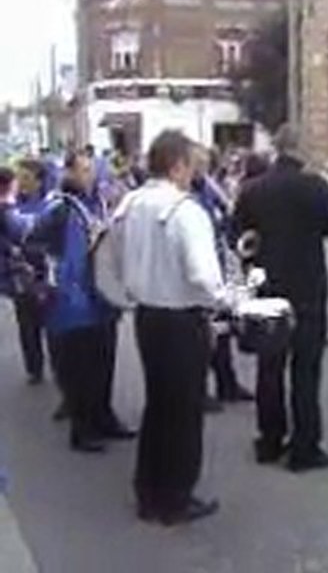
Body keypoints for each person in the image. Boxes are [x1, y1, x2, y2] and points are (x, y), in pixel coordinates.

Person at [118, 130, 225, 525]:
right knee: (183, 412)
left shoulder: (130, 203)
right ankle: (176, 498)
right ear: (178, 164)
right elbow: (203, 275)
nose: (194, 174)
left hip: (146, 316)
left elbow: (112, 256)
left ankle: (149, 491)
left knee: (158, 405)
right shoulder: (186, 210)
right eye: (192, 166)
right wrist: (225, 301)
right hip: (182, 320)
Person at [233, 125, 328, 472]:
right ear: (302, 150)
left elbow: (237, 235)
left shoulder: (252, 189)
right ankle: (304, 447)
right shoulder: (315, 187)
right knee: (306, 371)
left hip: (267, 287)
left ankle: (269, 439)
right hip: (308, 287)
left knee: (270, 367)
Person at [29, 150, 132, 453]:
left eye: (92, 170)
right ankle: (82, 429)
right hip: (72, 304)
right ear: (69, 173)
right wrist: (49, 277)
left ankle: (105, 418)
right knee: (80, 371)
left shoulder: (98, 204)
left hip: (102, 301)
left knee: (104, 365)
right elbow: (31, 243)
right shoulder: (59, 208)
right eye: (83, 170)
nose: (90, 176)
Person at [189, 146, 252, 408]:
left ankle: (228, 384)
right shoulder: (186, 195)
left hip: (217, 267)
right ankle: (198, 391)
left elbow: (226, 218)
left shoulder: (208, 189)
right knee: (201, 335)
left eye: (205, 164)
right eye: (198, 164)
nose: (202, 169)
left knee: (222, 329)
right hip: (196, 272)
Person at [9, 158, 50, 385]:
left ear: (39, 180)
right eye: (19, 178)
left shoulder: (50, 205)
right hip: (21, 275)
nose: (21, 183)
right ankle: (34, 369)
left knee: (54, 328)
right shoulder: (11, 205)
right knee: (27, 327)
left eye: (26, 178)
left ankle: (63, 377)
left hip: (45, 274)